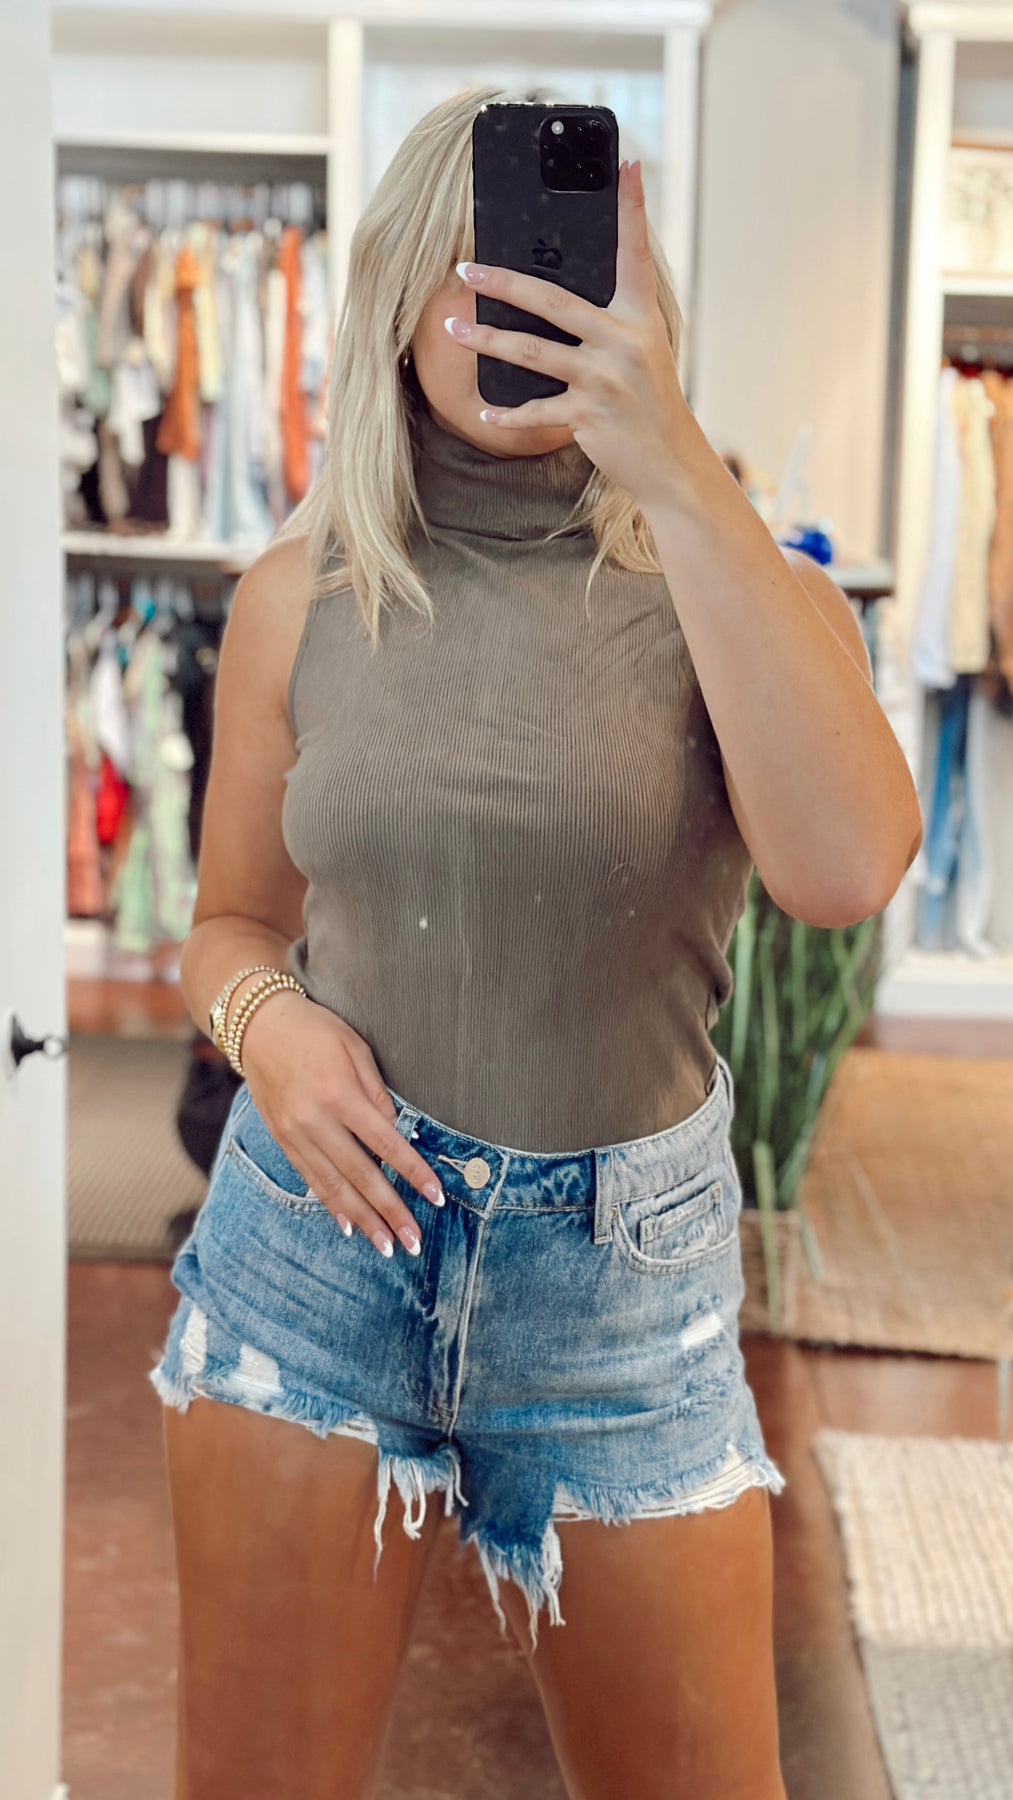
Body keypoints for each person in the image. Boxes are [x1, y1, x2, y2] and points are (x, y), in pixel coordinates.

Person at [149, 85, 923, 1800]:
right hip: (314, 1261)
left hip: (618, 1301)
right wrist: (269, 1023)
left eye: (548, 268)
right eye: (464, 268)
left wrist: (674, 461)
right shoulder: (298, 595)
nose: (503, 308)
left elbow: (845, 869)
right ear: (393, 299)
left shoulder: (737, 589)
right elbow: (225, 927)